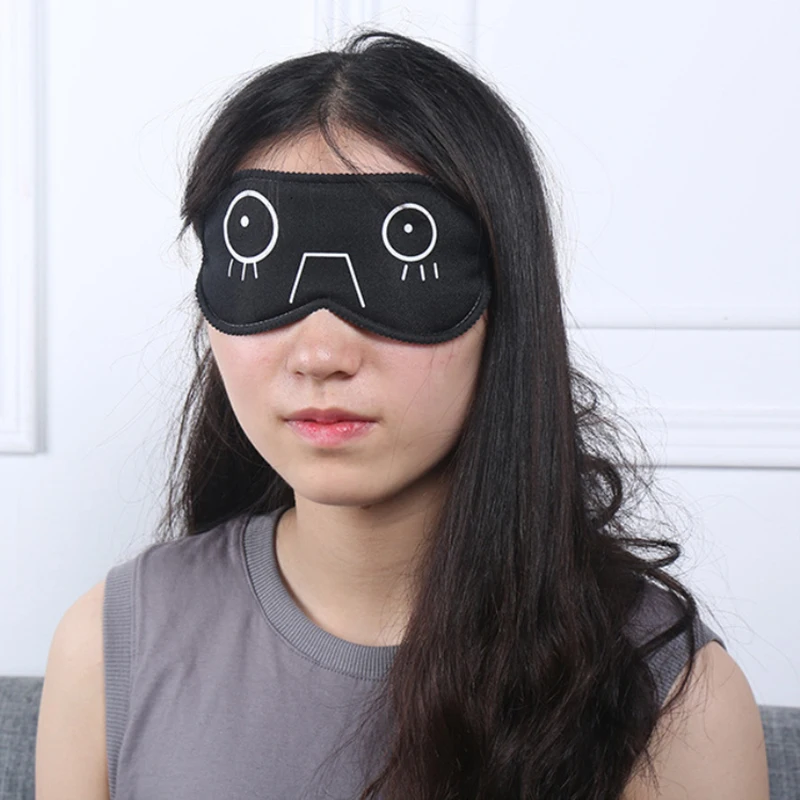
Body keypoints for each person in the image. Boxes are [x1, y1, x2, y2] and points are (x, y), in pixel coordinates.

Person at [35, 28, 769, 800]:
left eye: (403, 265)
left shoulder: (672, 703)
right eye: (261, 265)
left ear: (503, 302)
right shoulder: (106, 650)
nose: (321, 354)